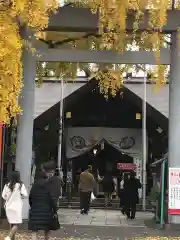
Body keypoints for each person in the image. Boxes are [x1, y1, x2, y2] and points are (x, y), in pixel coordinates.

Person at [28, 170, 59, 240]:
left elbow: (30, 198)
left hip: (35, 211)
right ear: (46, 176)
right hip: (47, 211)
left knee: (34, 231)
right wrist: (54, 210)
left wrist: (32, 206)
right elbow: (52, 199)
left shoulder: (34, 186)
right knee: (47, 230)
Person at [2, 171, 27, 240]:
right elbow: (25, 194)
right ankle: (9, 237)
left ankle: (12, 238)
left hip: (8, 207)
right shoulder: (20, 185)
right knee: (16, 224)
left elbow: (4, 196)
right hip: (17, 207)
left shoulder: (7, 185)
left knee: (12, 223)